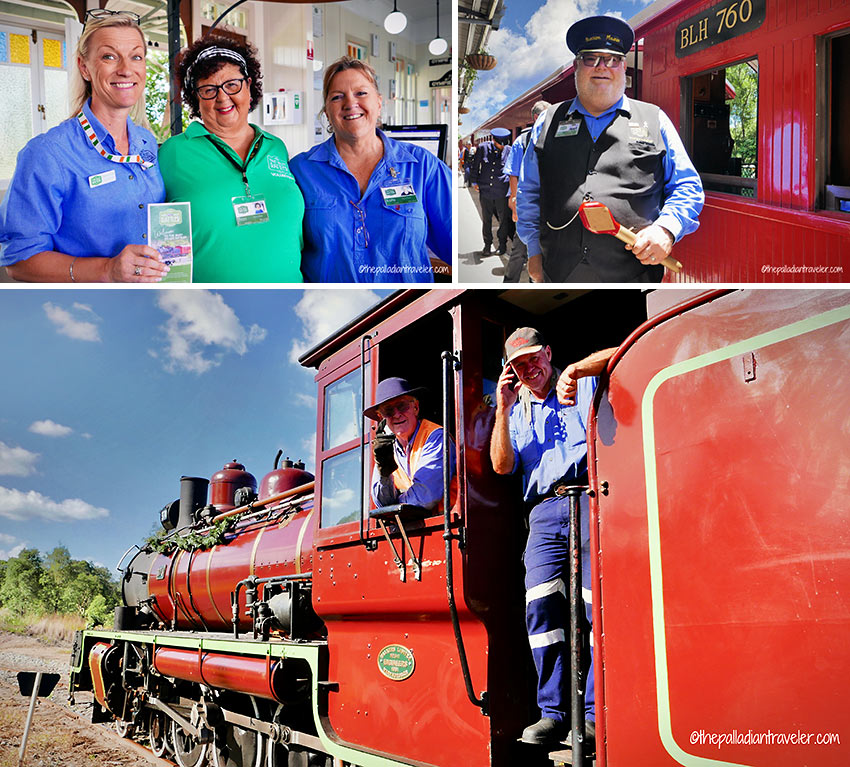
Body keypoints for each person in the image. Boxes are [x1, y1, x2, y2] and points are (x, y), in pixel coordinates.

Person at [489, 327, 616, 746]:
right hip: (543, 513)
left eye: (533, 359)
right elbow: (502, 466)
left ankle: (596, 714)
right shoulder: (516, 409)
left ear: (548, 352)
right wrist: (503, 411)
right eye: (519, 366)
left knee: (594, 606)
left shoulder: (578, 382)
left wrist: (577, 368)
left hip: (587, 497)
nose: (530, 370)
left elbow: (628, 347)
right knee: (541, 610)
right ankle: (554, 713)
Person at [516, 15, 704, 283]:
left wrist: (665, 230)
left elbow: (687, 185)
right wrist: (533, 250)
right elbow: (528, 192)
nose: (602, 66)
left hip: (633, 274)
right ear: (576, 66)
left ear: (624, 67)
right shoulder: (547, 122)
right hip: (558, 270)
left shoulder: (655, 119)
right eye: (591, 58)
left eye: (612, 58)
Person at [0, 11, 168, 282]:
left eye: (136, 56)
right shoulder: (47, 154)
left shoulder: (146, 142)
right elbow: (20, 262)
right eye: (109, 56)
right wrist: (108, 270)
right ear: (84, 67)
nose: (126, 68)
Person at [290, 57, 451, 283]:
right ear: (327, 111)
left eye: (361, 93)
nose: (350, 103)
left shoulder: (423, 166)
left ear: (378, 102)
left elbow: (457, 243)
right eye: (337, 97)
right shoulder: (300, 171)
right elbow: (283, 253)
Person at [158, 37, 304, 282]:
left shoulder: (276, 147)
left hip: (292, 299)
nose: (222, 97)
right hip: (210, 307)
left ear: (248, 85)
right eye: (208, 90)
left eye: (232, 85)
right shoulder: (172, 154)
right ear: (196, 98)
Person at [364, 378, 456, 511]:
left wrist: (395, 502)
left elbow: (425, 497)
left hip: (446, 525)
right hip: (410, 529)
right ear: (381, 418)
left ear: (416, 408)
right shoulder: (386, 449)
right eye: (388, 411)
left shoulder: (435, 437)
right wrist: (384, 472)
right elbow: (380, 503)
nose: (396, 415)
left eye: (402, 406)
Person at [503, 101, 550, 282]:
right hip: (527, 205)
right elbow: (513, 174)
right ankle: (510, 281)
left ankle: (535, 284)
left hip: (548, 208)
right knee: (520, 249)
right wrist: (515, 204)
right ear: (537, 118)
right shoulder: (521, 141)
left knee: (541, 252)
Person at [469, 127, 511, 256]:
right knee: (486, 220)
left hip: (502, 191)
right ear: (493, 140)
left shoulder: (509, 150)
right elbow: (475, 166)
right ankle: (487, 245)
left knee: (503, 220)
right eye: (499, 144)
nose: (502, 147)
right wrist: (474, 182)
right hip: (486, 190)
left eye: (503, 145)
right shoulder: (483, 148)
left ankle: (502, 245)